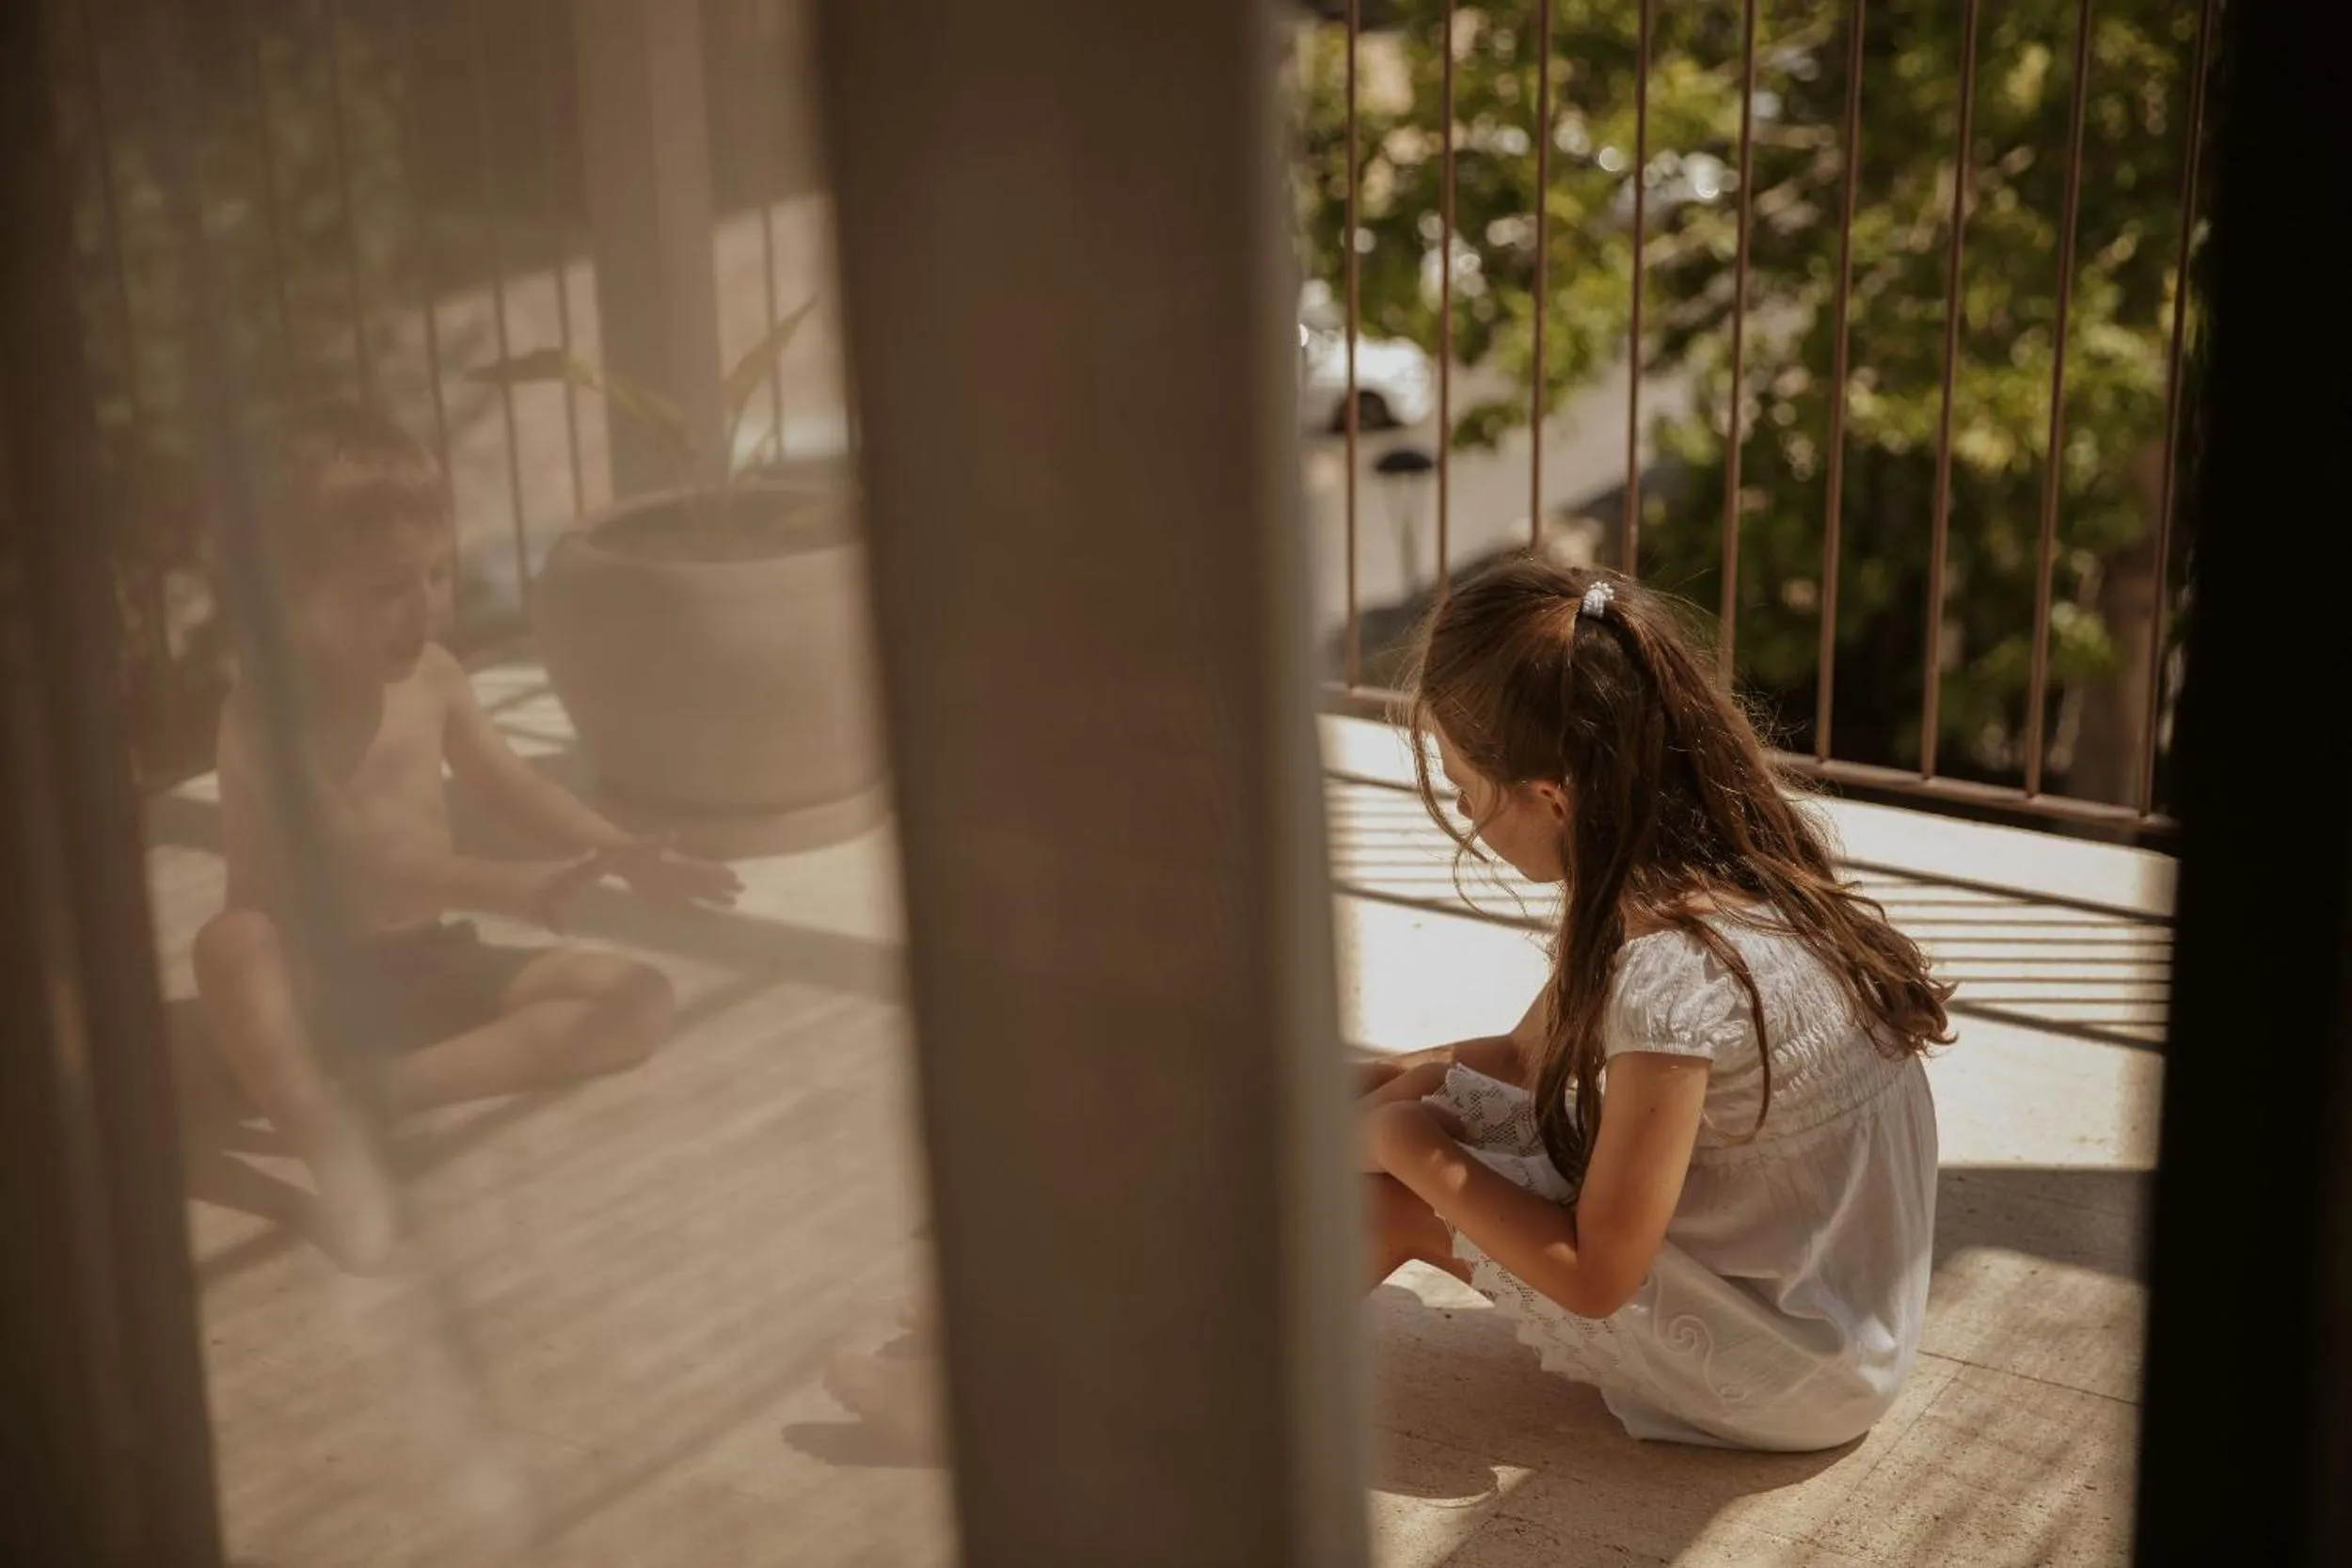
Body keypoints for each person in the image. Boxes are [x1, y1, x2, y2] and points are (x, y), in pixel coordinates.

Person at [1360, 557, 1952, 1451]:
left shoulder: (1675, 979)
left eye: (1465, 793)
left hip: (1798, 1371)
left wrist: (1401, 1144)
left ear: (1550, 797)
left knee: (1392, 1199)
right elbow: (1524, 1060)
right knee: (1389, 1119)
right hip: (1830, 1320)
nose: (1467, 819)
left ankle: (1203, 1370)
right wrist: (1378, 1083)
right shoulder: (1713, 876)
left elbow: (1596, 1274)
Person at [192, 404, 742, 1270]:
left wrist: (620, 850)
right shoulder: (266, 717)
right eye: (387, 588)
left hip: (425, 964)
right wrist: (516, 888)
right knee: (231, 947)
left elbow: (509, 784)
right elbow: (363, 865)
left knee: (638, 999)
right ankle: (318, 1134)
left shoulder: (436, 678)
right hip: (304, 987)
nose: (424, 608)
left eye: (438, 574)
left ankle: (378, 1092)